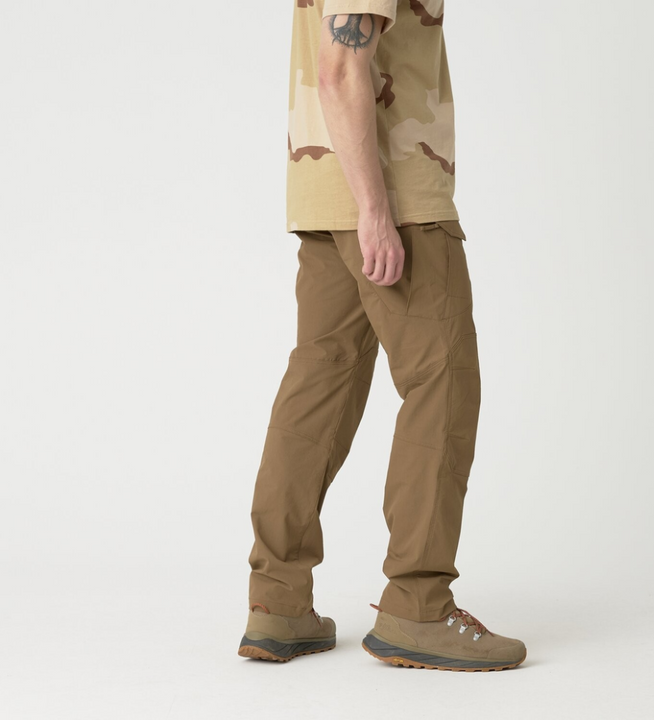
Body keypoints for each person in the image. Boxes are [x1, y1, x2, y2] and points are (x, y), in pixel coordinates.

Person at [237, 0, 526, 672]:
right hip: (392, 190)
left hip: (325, 185)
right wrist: (375, 210)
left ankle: (278, 600)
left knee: (320, 384)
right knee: (442, 380)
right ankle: (418, 608)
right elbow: (341, 66)